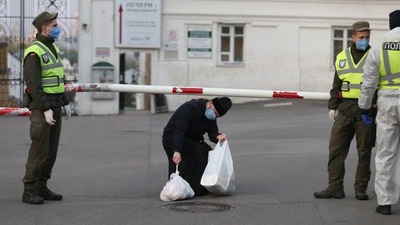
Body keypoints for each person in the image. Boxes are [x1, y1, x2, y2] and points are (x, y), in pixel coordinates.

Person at [314, 21, 374, 201]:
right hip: (345, 110)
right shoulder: (342, 56)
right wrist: (332, 106)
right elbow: (336, 85)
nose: (364, 40)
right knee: (336, 150)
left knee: (364, 152)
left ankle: (360, 189)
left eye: (367, 37)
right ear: (353, 37)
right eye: (361, 37)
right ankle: (335, 187)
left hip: (366, 112)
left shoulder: (374, 55)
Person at [21, 11, 71, 205]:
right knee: (38, 151)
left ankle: (42, 186)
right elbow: (33, 84)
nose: (57, 28)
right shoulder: (35, 51)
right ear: (44, 28)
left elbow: (59, 79)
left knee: (51, 151)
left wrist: (65, 101)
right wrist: (44, 108)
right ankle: (29, 190)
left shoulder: (52, 48)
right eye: (54, 25)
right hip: (43, 109)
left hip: (55, 105)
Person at [358, 10, 400, 215]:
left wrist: (364, 107)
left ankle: (385, 202)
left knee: (386, 153)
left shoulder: (378, 50)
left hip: (386, 103)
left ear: (391, 26)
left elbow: (368, 84)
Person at [162, 97, 232, 196]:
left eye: (217, 116)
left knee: (207, 151)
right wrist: (177, 151)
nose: (214, 116)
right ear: (210, 104)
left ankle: (202, 185)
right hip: (173, 138)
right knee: (197, 150)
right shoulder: (189, 108)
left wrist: (218, 136)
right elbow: (179, 130)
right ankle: (192, 187)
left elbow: (212, 133)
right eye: (215, 113)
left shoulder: (211, 117)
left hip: (191, 139)